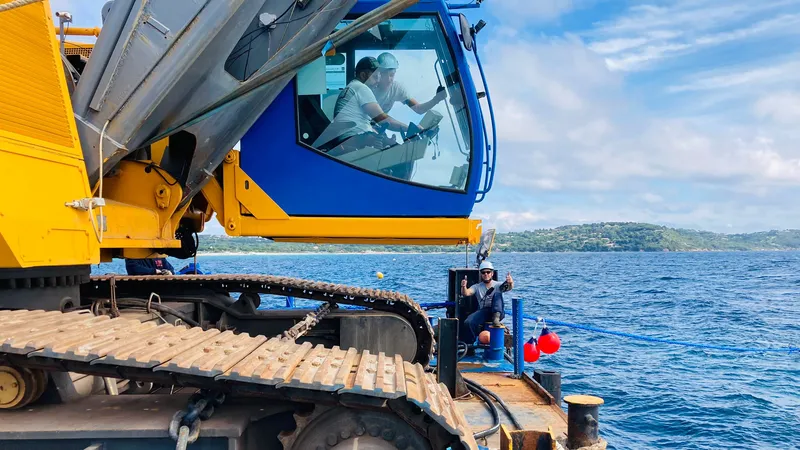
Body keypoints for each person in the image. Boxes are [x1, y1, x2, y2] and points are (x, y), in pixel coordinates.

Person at [323, 56, 409, 152]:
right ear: (363, 75)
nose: (378, 81)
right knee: (398, 150)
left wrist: (385, 138)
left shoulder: (352, 87)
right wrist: (410, 129)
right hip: (354, 137)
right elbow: (383, 119)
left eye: (379, 77)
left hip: (349, 138)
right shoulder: (361, 88)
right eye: (375, 77)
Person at [372, 52, 447, 115]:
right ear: (378, 73)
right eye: (385, 75)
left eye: (392, 75)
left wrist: (436, 99)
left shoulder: (397, 89)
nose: (389, 79)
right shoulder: (368, 89)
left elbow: (419, 109)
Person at [460, 260, 513, 344]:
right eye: (483, 272)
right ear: (481, 274)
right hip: (484, 311)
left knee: (497, 294)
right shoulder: (477, 287)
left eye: (488, 272)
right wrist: (463, 286)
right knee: (468, 322)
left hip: (498, 312)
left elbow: (508, 288)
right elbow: (466, 293)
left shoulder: (498, 285)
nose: (486, 274)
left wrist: (510, 282)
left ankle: (496, 317)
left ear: (492, 273)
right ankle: (471, 343)